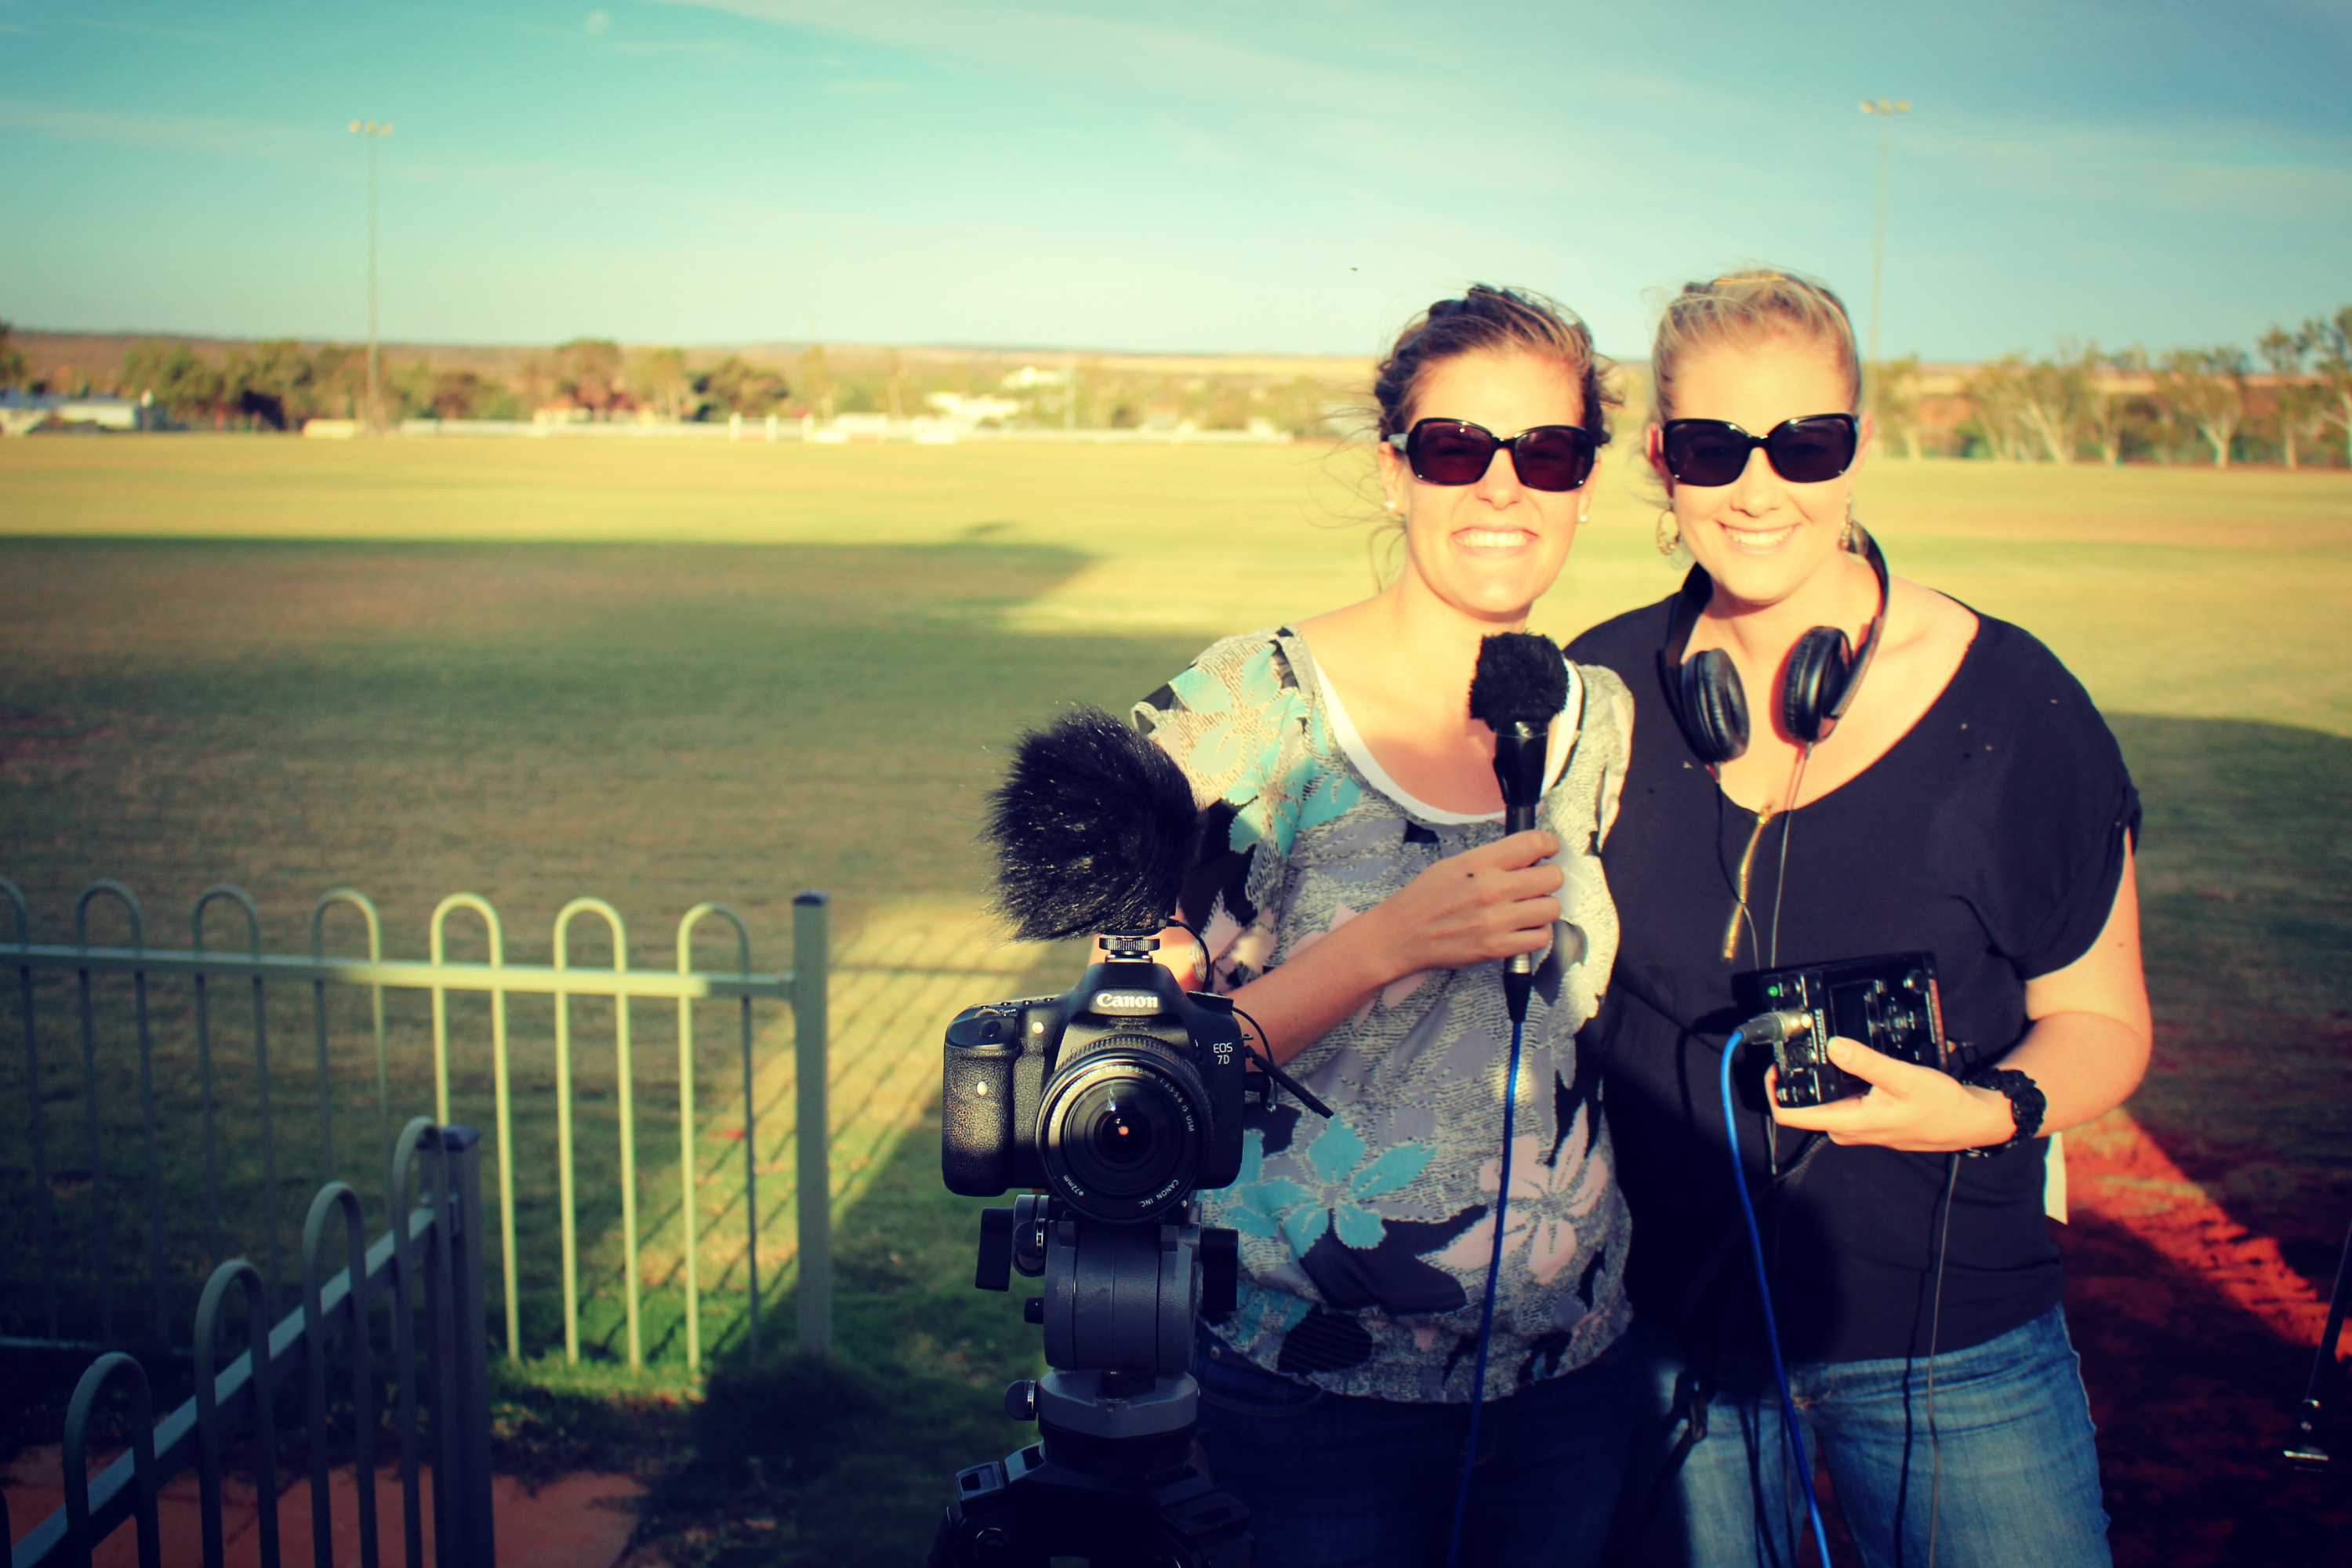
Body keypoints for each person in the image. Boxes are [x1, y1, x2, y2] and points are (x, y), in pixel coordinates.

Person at [1566, 268, 2151, 1568]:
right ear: (1662, 458)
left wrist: (1985, 1109)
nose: (1759, 488)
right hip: (1674, 1343)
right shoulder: (1596, 691)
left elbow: (2102, 1022)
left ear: (1858, 452)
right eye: (1716, 447)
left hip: (1957, 1341)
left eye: (1805, 443)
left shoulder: (2015, 705)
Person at [1126, 285, 1636, 1566]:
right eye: (1458, 449)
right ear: (1395, 467)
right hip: (1310, 1393)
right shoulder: (1246, 708)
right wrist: (1383, 945)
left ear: (1584, 482)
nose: (1503, 489)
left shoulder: (1601, 721)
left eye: (1549, 454)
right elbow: (1124, 1071)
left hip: (1570, 1374)